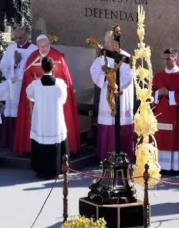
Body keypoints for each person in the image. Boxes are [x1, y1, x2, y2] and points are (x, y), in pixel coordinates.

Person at [12, 34, 80, 155]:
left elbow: (65, 77)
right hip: (40, 99)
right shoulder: (33, 57)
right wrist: (35, 82)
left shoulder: (58, 56)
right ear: (37, 46)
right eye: (40, 46)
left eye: (46, 45)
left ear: (49, 44)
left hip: (55, 99)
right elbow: (27, 77)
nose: (43, 49)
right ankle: (31, 148)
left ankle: (63, 149)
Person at [89, 30, 135, 162]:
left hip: (120, 95)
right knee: (107, 120)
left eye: (109, 42)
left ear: (116, 42)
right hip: (106, 93)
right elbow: (94, 70)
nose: (106, 45)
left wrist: (114, 82)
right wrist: (105, 75)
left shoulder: (125, 57)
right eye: (105, 42)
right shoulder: (102, 56)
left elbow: (128, 76)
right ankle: (106, 155)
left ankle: (124, 155)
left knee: (120, 121)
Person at [26, 56, 68, 179]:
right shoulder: (61, 84)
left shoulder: (35, 84)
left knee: (41, 140)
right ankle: (58, 168)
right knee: (56, 141)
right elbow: (63, 100)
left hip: (41, 119)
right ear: (53, 67)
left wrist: (39, 99)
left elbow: (29, 95)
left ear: (41, 68)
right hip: (55, 118)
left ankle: (41, 169)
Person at [152, 48, 179, 175]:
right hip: (161, 114)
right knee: (160, 139)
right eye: (164, 58)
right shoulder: (158, 76)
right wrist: (158, 93)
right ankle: (160, 165)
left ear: (175, 58)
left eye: (168, 58)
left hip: (175, 115)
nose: (165, 61)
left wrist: (169, 94)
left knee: (175, 140)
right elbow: (152, 92)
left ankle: (175, 166)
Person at [0, 26, 37, 148]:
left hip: (26, 86)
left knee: (24, 112)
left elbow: (35, 68)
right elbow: (3, 66)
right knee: (11, 111)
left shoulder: (33, 50)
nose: (18, 40)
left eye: (20, 37)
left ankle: (23, 141)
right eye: (15, 37)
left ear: (27, 36)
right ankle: (10, 141)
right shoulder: (10, 48)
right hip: (13, 84)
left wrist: (21, 63)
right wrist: (15, 64)